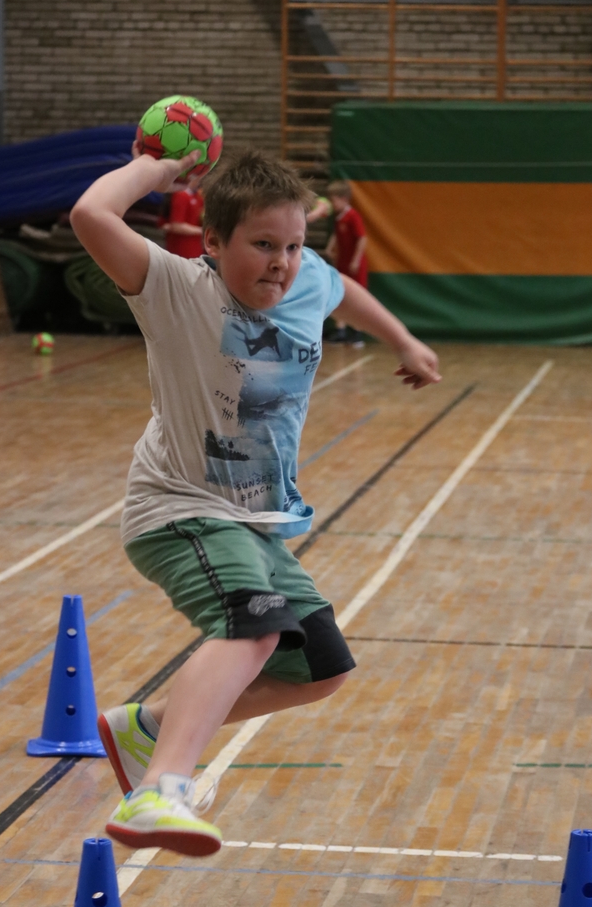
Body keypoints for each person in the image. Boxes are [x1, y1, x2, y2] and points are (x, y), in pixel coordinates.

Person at [70, 146, 441, 859]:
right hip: (181, 511)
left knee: (321, 667)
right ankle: (161, 788)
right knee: (256, 629)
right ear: (213, 241)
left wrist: (402, 339)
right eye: (263, 245)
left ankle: (146, 727)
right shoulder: (177, 289)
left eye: (293, 246)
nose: (282, 263)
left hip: (255, 525)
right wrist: (157, 169)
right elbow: (91, 214)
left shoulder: (304, 281)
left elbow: (338, 288)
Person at [325, 179, 368, 343]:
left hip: (354, 265)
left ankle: (357, 332)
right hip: (342, 263)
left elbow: (362, 238)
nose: (332, 204)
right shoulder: (339, 217)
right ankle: (340, 330)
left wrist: (356, 260)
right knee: (340, 295)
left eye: (334, 200)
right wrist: (330, 247)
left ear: (344, 199)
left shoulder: (353, 216)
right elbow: (336, 234)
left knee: (358, 298)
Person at [162, 174, 204, 258]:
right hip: (181, 249)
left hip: (195, 248)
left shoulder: (198, 197)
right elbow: (177, 226)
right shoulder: (181, 195)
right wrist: (202, 231)